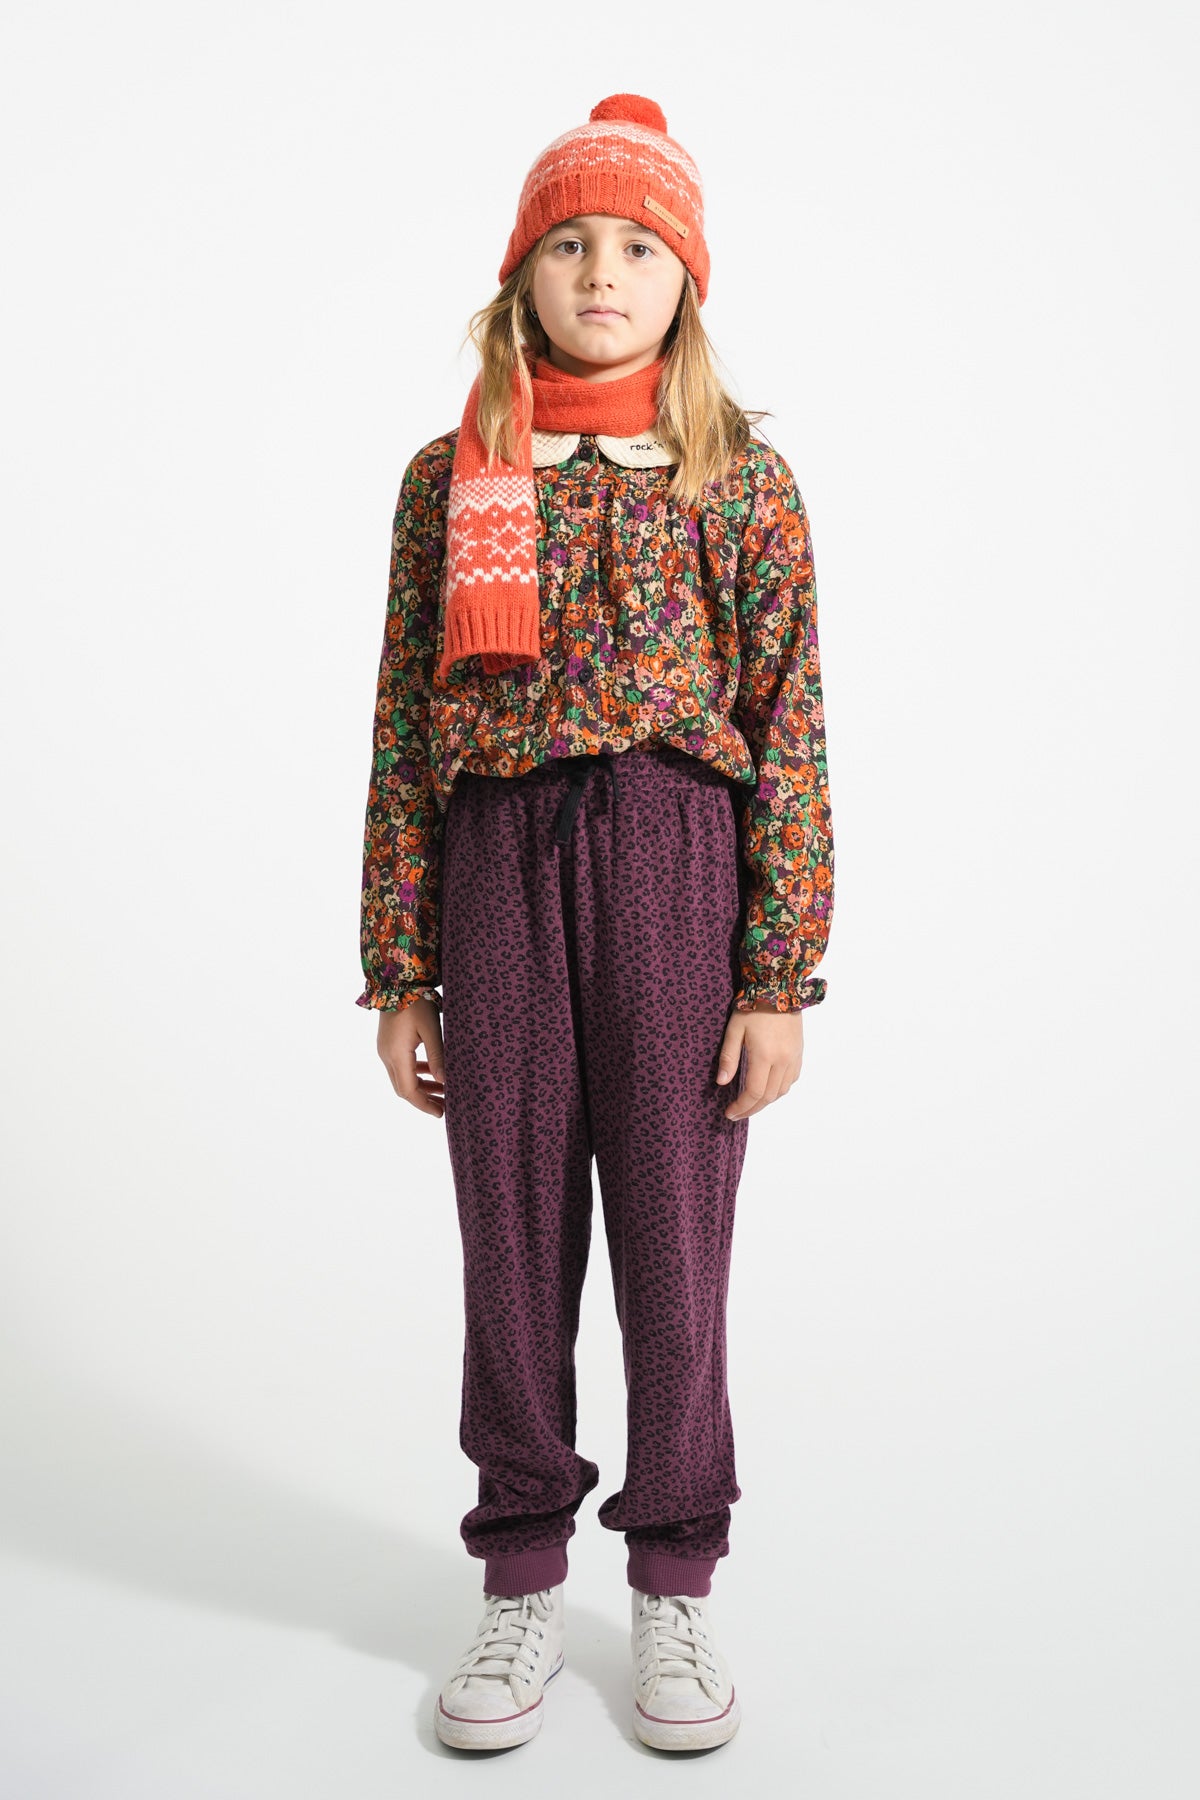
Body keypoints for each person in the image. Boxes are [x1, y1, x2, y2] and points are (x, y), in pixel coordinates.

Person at [355, 92, 834, 1754]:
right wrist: (400, 961)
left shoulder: (737, 480)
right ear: (523, 274)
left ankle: (676, 1585)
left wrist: (777, 975)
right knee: (510, 1228)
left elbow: (789, 722)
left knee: (675, 1242)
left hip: (676, 861)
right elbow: (404, 727)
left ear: (685, 278)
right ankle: (519, 1578)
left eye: (637, 245)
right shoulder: (450, 480)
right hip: (498, 859)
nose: (603, 272)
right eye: (570, 244)